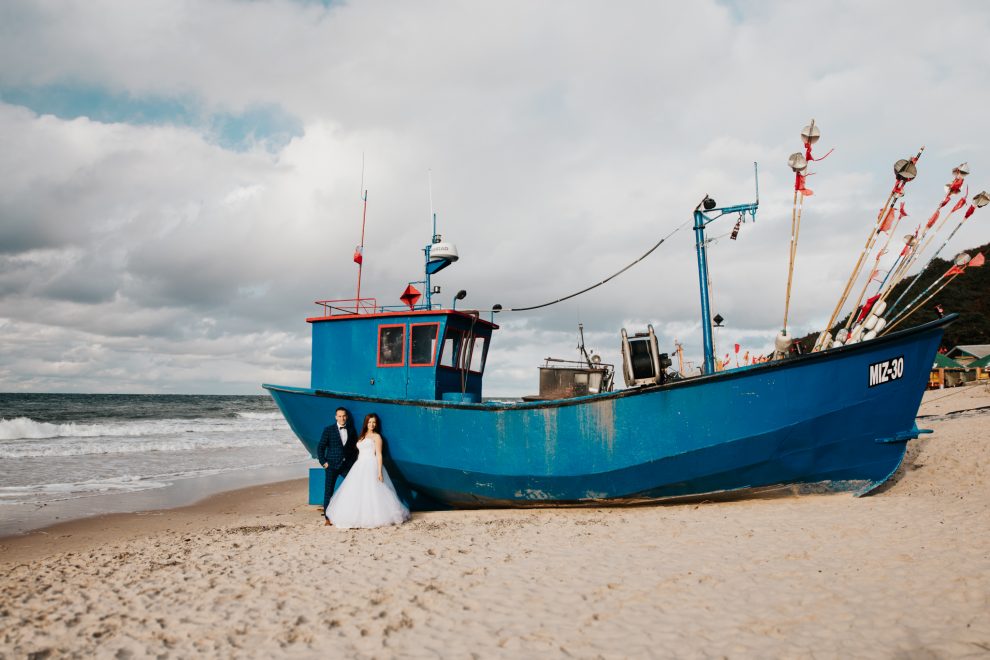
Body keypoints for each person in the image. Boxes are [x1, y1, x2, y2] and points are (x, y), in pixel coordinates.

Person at [325, 413, 410, 529]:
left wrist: (379, 472)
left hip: (371, 464)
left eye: (374, 422)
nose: (372, 424)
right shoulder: (362, 436)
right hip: (359, 465)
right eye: (370, 422)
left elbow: (379, 455)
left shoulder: (377, 437)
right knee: (357, 491)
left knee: (372, 491)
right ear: (366, 423)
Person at [317, 407, 359, 526]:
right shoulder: (328, 430)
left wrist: (353, 462)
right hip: (331, 466)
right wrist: (324, 462)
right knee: (328, 491)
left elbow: (354, 449)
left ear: (347, 417)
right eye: (339, 416)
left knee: (353, 488)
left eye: (344, 416)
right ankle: (327, 518)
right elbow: (320, 447)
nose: (342, 418)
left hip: (346, 466)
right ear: (336, 417)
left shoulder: (351, 430)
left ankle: (350, 513)